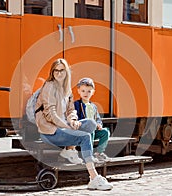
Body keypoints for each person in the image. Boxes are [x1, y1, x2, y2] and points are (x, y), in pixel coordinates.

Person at [34, 58, 113, 190]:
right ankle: (93, 177)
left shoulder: (66, 89)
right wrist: (67, 125)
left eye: (62, 70)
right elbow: (50, 114)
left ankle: (69, 150)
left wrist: (73, 120)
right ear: (52, 72)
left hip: (64, 126)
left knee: (91, 124)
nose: (59, 73)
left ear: (67, 72)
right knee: (85, 137)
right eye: (56, 71)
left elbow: (71, 110)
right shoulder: (49, 87)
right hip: (50, 130)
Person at [74, 78, 111, 161]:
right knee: (91, 131)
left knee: (105, 132)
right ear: (78, 91)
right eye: (83, 91)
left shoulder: (93, 106)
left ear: (93, 92)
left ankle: (99, 153)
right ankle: (88, 155)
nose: (86, 93)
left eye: (89, 91)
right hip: (82, 131)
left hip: (93, 131)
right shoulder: (76, 104)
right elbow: (75, 117)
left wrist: (99, 124)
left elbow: (98, 118)